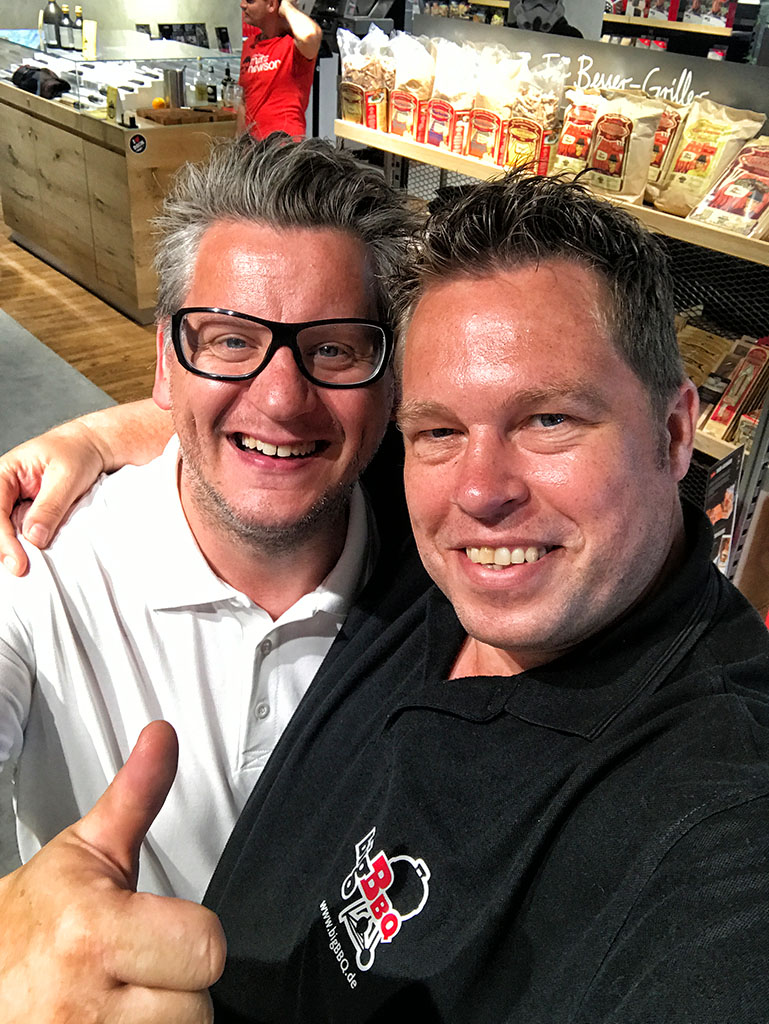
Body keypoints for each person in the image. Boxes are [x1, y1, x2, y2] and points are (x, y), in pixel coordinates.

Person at [3, 175, 769, 1021]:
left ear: (674, 433)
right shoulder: (415, 550)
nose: (478, 492)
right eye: (439, 429)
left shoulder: (717, 813)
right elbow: (260, 429)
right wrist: (90, 437)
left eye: (548, 420)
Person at [0, 133, 421, 1019]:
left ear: (392, 381)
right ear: (166, 360)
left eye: (334, 350)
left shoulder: (451, 582)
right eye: (230, 340)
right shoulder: (33, 567)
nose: (281, 398)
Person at [238, 0, 322, 139]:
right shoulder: (249, 45)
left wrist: (287, 6)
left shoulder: (293, 45)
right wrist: (239, 143)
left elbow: (310, 35)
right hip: (254, 147)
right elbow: (244, 101)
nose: (242, 5)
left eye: (250, 1)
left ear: (271, 5)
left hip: (284, 145)